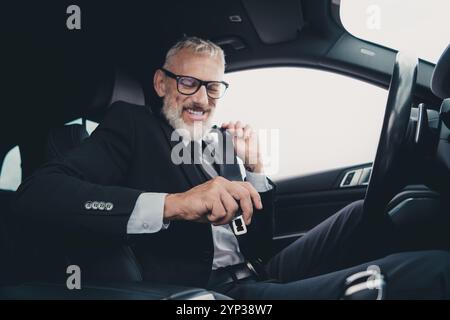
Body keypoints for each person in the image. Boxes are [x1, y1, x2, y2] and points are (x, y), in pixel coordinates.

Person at [14, 37, 450, 299]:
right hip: (215, 295)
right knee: (427, 274)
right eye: (188, 83)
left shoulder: (221, 143)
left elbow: (254, 239)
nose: (202, 99)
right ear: (161, 82)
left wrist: (256, 169)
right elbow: (40, 193)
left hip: (258, 270)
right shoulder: (131, 126)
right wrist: (174, 204)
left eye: (214, 87)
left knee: (372, 213)